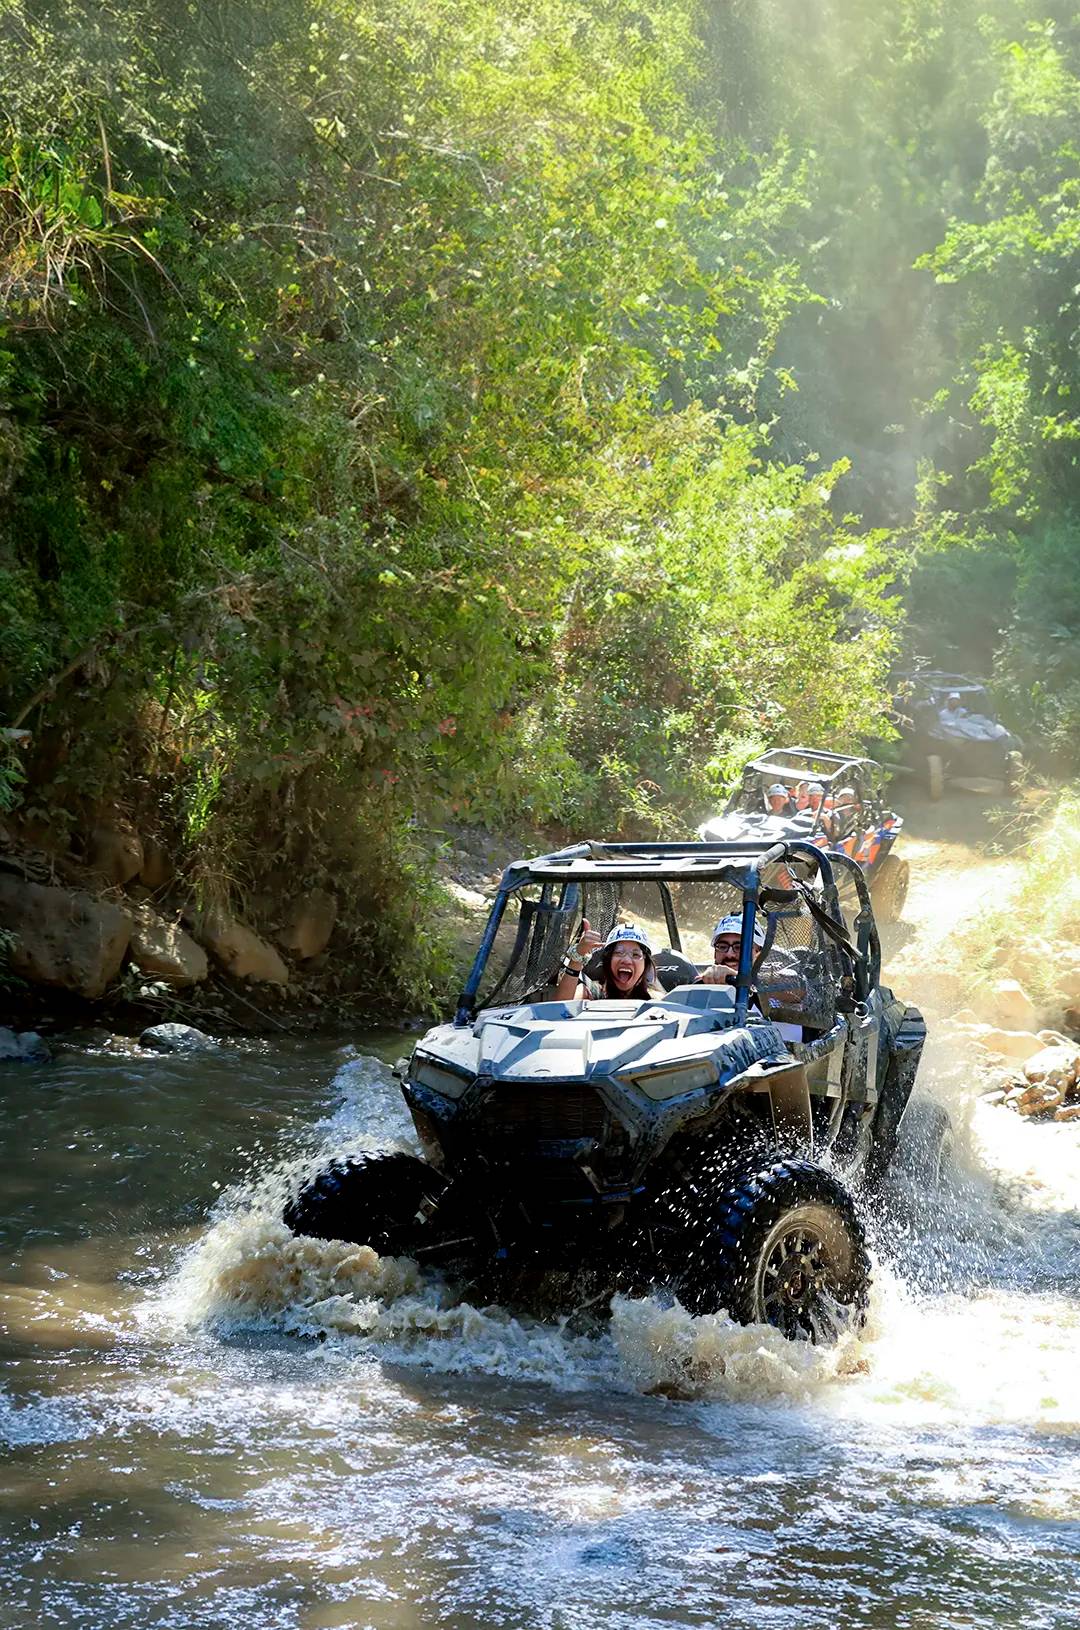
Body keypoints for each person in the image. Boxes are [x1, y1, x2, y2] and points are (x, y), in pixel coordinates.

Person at [695, 914, 804, 1041]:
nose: (729, 954)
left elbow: (798, 989)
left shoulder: (776, 978)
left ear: (758, 953)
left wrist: (739, 979)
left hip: (784, 1057)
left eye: (739, 947)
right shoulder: (706, 984)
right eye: (722, 947)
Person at [556, 919, 660, 1001]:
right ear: (607, 961)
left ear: (645, 966)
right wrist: (578, 956)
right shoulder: (590, 993)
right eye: (619, 952)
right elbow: (558, 1011)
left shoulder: (657, 1001)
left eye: (636, 955)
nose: (627, 960)